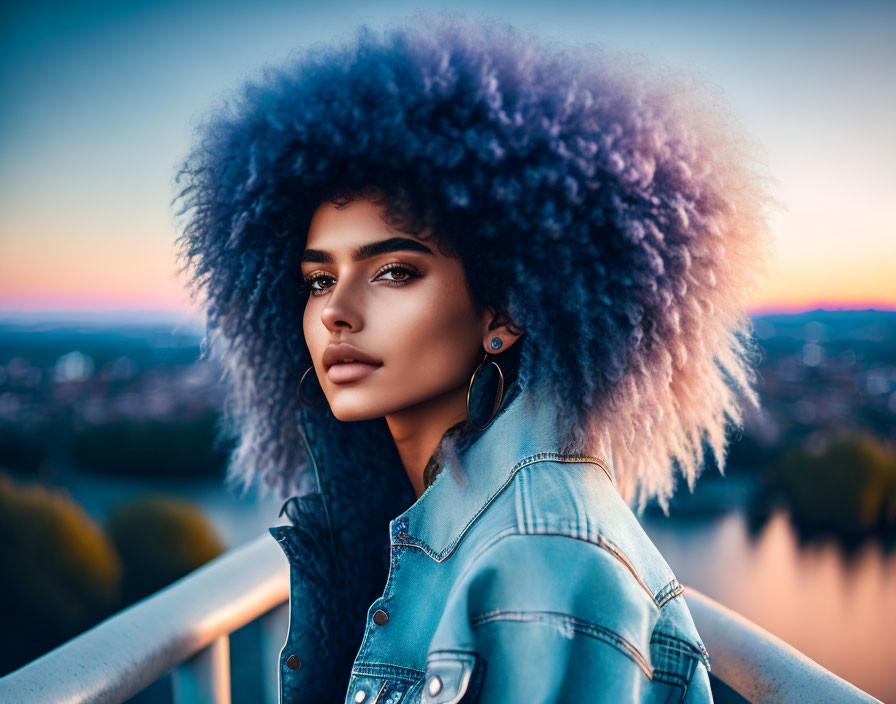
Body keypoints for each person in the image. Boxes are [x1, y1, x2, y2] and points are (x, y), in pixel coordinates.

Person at [173, 10, 772, 703]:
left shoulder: (541, 563)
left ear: (504, 313)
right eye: (318, 279)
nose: (336, 310)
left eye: (394, 271)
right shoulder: (410, 517)